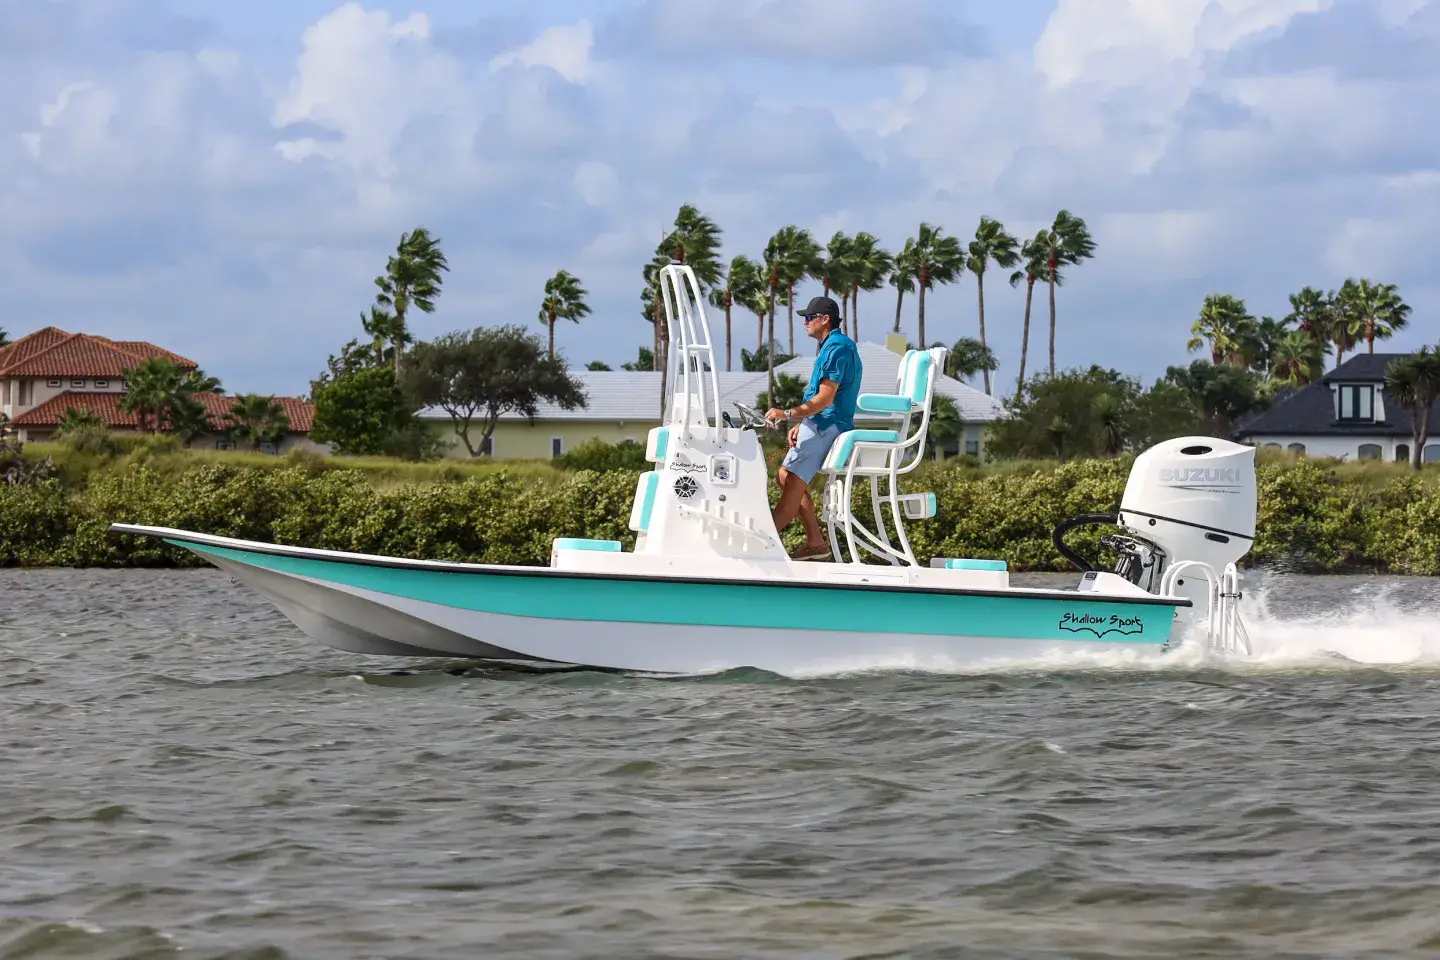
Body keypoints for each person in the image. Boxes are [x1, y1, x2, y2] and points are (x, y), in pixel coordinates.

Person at [764, 295, 861, 561]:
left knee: (793, 479)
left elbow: (826, 398)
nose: (805, 323)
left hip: (829, 424)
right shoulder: (830, 346)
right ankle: (816, 542)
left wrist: (789, 414)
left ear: (824, 319)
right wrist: (803, 422)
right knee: (785, 476)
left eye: (809, 318)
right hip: (819, 423)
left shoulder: (837, 348)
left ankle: (760, 545)